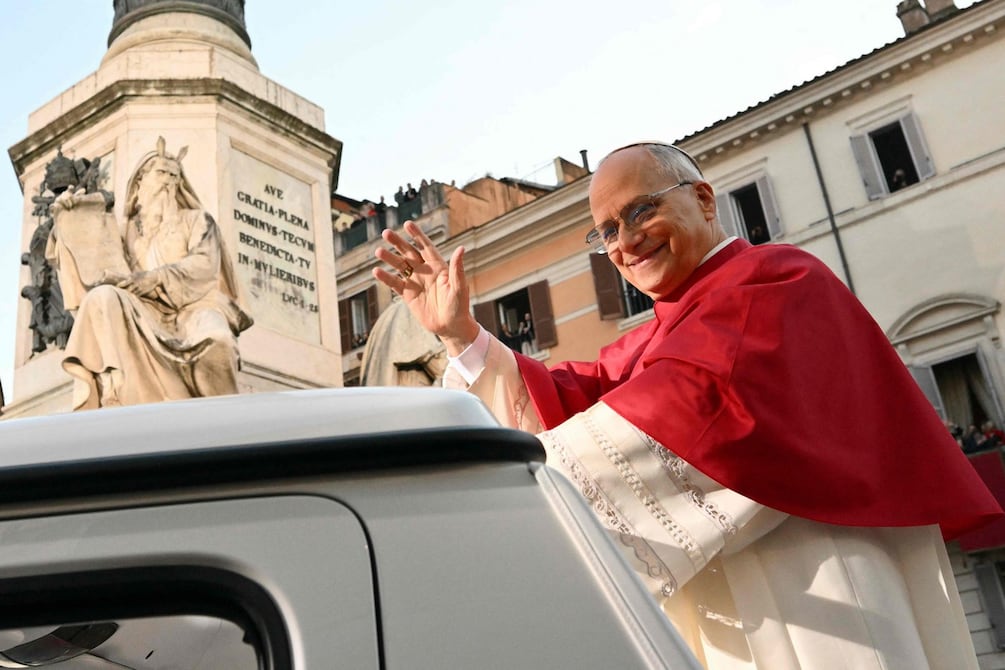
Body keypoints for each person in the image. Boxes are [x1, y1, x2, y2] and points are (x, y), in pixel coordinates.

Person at [373, 142, 1001, 669]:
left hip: (821, 596)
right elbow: (572, 397)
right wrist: (461, 335)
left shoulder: (775, 280)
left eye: (640, 210)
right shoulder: (656, 338)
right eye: (607, 231)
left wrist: (493, 515)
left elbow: (694, 404)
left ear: (703, 199)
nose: (626, 241)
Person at [48, 137, 252, 410]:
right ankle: (116, 391)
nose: (168, 181)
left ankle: (226, 417)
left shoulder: (196, 220)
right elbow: (87, 252)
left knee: (218, 340)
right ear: (140, 181)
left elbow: (204, 264)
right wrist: (68, 218)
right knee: (101, 297)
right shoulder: (123, 230)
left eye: (174, 176)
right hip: (143, 308)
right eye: (161, 173)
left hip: (194, 307)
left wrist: (154, 278)